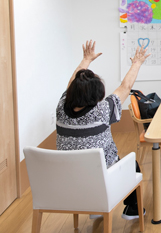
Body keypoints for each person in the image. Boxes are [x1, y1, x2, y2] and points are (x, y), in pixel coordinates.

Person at [56, 40, 150, 220]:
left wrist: (85, 60)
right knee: (132, 165)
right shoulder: (102, 111)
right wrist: (137, 63)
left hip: (69, 180)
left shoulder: (61, 108)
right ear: (97, 94)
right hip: (103, 181)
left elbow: (71, 84)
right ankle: (132, 209)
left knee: (91, 168)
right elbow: (125, 87)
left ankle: (95, 207)